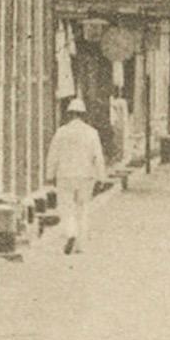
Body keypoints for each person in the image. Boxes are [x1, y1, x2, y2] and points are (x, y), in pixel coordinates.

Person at [46, 98, 106, 254]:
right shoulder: (92, 133)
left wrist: (50, 174)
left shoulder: (61, 132)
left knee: (66, 208)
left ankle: (71, 233)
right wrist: (101, 177)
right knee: (83, 209)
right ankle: (80, 245)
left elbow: (53, 154)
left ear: (69, 114)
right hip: (86, 176)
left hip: (65, 175)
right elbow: (98, 156)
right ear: (83, 115)